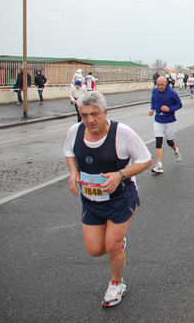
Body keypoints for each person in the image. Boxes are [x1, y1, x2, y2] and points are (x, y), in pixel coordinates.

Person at [63, 91, 152, 307]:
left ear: (105, 112)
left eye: (94, 114)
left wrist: (120, 174)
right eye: (84, 115)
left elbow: (146, 160)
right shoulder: (75, 131)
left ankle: (116, 283)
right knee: (95, 250)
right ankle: (118, 244)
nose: (89, 120)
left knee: (111, 246)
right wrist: (73, 172)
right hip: (91, 202)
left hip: (120, 199)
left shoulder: (122, 133)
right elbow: (69, 153)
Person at [149, 76, 183, 173]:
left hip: (170, 120)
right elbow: (153, 100)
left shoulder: (172, 93)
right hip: (158, 120)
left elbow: (179, 105)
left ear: (166, 84)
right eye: (158, 84)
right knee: (158, 141)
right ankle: (159, 165)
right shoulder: (155, 91)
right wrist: (152, 108)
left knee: (169, 141)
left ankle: (176, 150)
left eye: (162, 85)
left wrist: (169, 109)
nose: (159, 87)